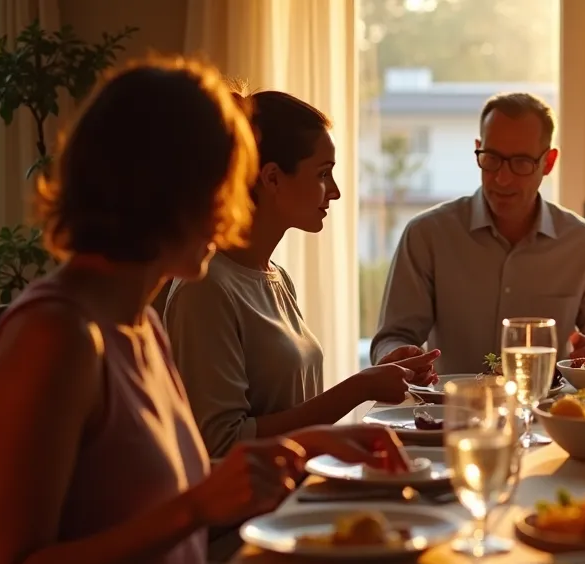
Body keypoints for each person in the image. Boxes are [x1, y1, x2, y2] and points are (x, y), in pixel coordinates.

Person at [0, 58, 400, 564]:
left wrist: (319, 442)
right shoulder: (54, 337)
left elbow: (169, 498)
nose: (234, 212)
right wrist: (198, 506)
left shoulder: (138, 319)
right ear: (162, 191)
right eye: (226, 186)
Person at [165, 90, 439, 458]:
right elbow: (220, 444)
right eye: (323, 173)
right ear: (273, 178)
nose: (337, 192)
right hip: (258, 514)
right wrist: (358, 388)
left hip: (298, 495)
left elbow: (292, 416)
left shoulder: (275, 277)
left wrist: (378, 378)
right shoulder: (205, 289)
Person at [371, 92, 585, 374]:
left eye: (521, 162)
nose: (503, 178)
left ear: (549, 162)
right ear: (478, 148)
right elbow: (392, 337)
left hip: (547, 413)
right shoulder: (427, 235)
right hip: (451, 413)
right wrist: (395, 356)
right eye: (491, 158)